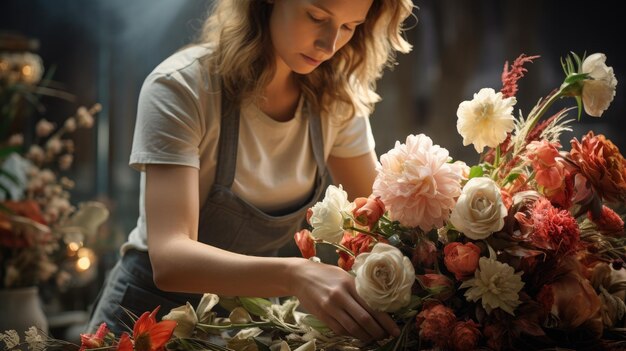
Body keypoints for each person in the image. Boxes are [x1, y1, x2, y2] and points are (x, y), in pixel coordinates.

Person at [87, 0, 413, 343]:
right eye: (316, 17)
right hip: (145, 321)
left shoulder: (336, 101)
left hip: (247, 325)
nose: (329, 44)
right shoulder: (181, 87)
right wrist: (296, 276)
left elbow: (379, 222)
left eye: (349, 26)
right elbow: (171, 259)